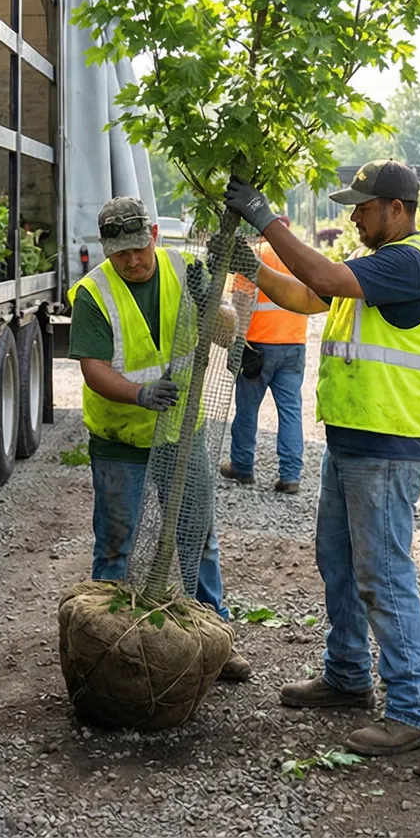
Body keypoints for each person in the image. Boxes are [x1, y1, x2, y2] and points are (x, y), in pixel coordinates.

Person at [224, 160, 420, 757]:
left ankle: (412, 710)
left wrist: (264, 218)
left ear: (396, 208)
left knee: (384, 575)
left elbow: (318, 269)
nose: (354, 216)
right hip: (351, 439)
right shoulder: (374, 266)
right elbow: (305, 292)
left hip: (387, 443)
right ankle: (347, 675)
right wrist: (253, 269)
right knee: (339, 563)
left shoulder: (410, 262)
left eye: (363, 207)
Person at [69, 196, 252, 683]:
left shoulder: (182, 268)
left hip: (180, 434)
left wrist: (209, 294)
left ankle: (215, 638)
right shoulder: (93, 293)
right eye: (119, 253)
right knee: (116, 545)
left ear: (153, 234)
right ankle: (106, 647)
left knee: (198, 536)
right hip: (120, 440)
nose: (132, 261)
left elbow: (225, 333)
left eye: (137, 248)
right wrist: (139, 393)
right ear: (107, 249)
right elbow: (93, 371)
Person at [221, 236, 308, 494]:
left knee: (247, 410)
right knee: (291, 411)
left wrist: (238, 342)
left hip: (258, 347)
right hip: (294, 344)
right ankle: (291, 475)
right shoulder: (301, 254)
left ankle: (242, 467)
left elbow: (242, 302)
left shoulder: (254, 255)